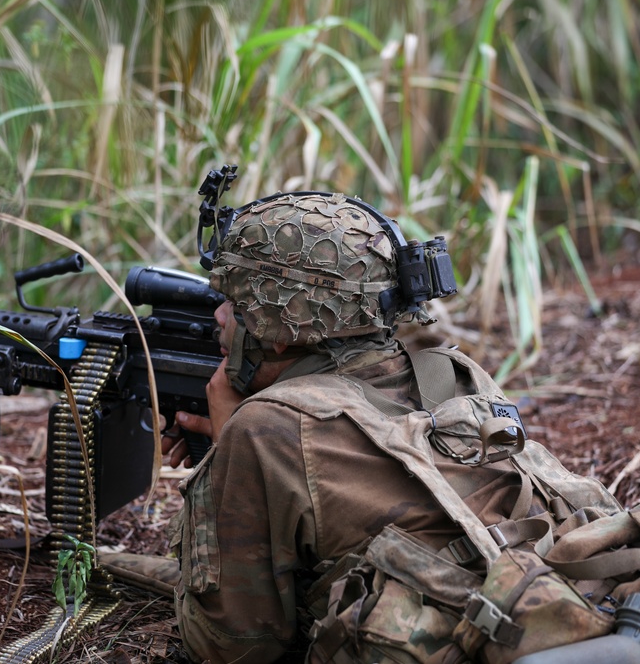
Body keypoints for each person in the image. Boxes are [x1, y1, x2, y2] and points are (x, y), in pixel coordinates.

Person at [161, 191, 534, 662]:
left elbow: (229, 647)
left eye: (233, 302)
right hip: (536, 599)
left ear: (279, 326)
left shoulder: (264, 429)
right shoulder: (454, 373)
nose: (217, 316)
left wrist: (224, 451)